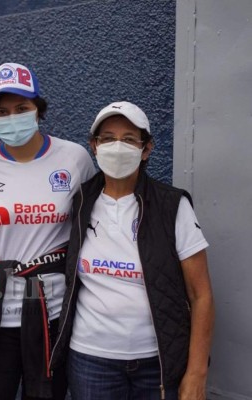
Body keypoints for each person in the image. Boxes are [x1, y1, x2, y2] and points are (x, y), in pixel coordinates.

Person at [50, 101, 215, 399]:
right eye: (108, 138)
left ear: (146, 149)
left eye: (128, 139)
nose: (117, 146)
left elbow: (201, 295)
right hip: (90, 360)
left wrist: (197, 372)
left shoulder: (172, 206)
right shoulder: (79, 203)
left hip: (158, 364)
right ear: (94, 146)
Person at [0, 62, 96, 400]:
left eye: (21, 108)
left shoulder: (75, 159)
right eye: (2, 111)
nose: (12, 117)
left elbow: (92, 227)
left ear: (38, 109)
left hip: (49, 315)